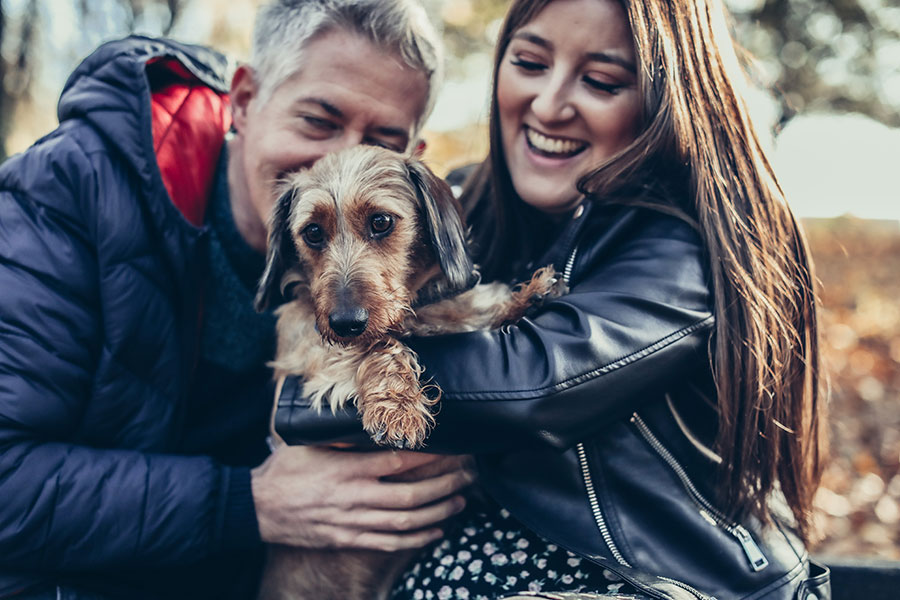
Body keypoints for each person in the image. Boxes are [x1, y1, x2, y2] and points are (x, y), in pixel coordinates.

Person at [274, 0, 831, 598]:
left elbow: (532, 385)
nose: (548, 104)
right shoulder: (470, 204)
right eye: (530, 62)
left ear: (663, 99)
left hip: (654, 581)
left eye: (600, 80)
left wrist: (307, 405)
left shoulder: (688, 247)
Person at [0, 1, 475, 599]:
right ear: (244, 100)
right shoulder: (65, 194)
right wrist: (247, 503)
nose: (338, 162)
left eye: (382, 139)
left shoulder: (408, 260)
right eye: (318, 121)